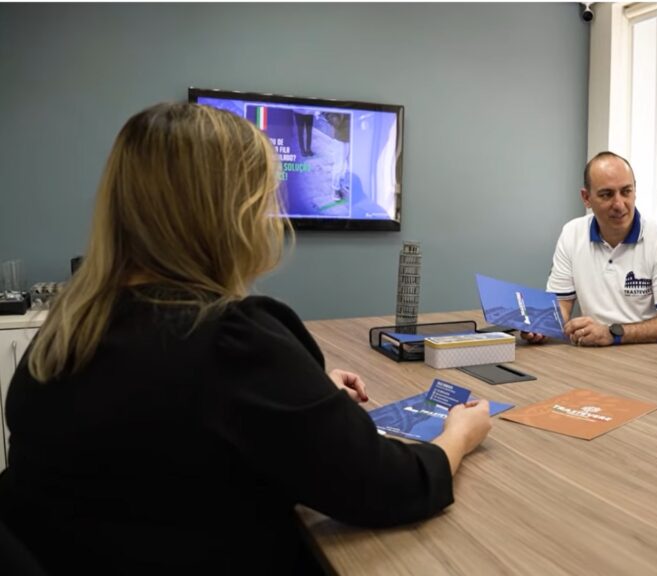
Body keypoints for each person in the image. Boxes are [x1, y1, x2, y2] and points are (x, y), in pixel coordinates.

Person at [0, 103, 493, 574]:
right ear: (231, 212)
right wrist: (458, 437)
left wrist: (301, 389)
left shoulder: (68, 330)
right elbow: (388, 486)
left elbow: (171, 413)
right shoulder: (229, 340)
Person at [526, 151, 657, 346]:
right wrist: (541, 325)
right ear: (586, 198)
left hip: (647, 357)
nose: (619, 204)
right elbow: (561, 304)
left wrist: (613, 333)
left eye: (626, 191)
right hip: (592, 352)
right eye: (607, 195)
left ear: (635, 191)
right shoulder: (572, 233)